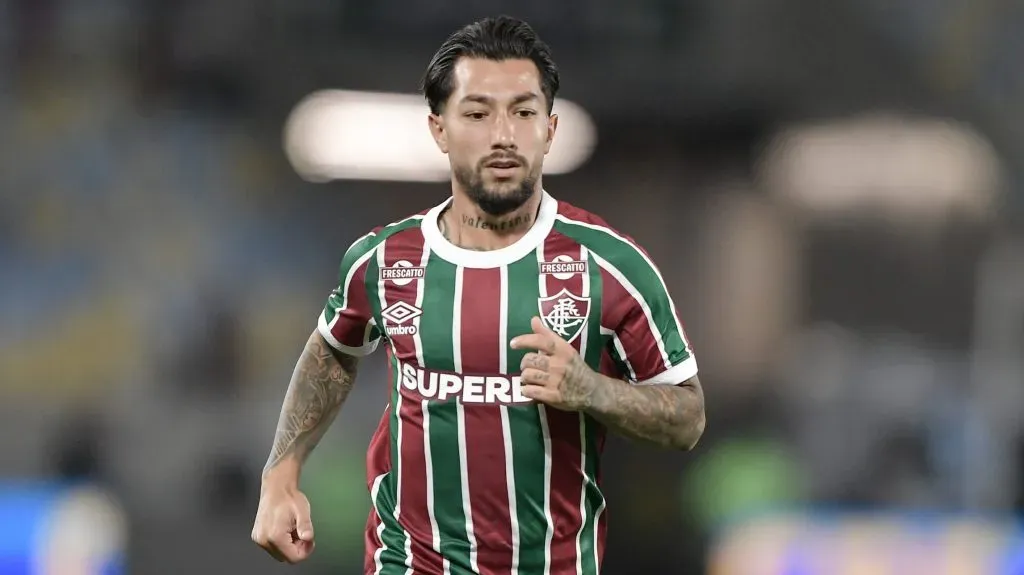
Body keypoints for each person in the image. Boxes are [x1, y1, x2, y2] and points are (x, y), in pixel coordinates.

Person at [251, 15, 706, 575]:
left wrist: (592, 390)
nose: (503, 135)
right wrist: (281, 474)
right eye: (476, 113)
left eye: (523, 112)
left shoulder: (609, 265)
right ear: (439, 129)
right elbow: (333, 351)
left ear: (550, 128)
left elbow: (687, 417)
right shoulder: (383, 260)